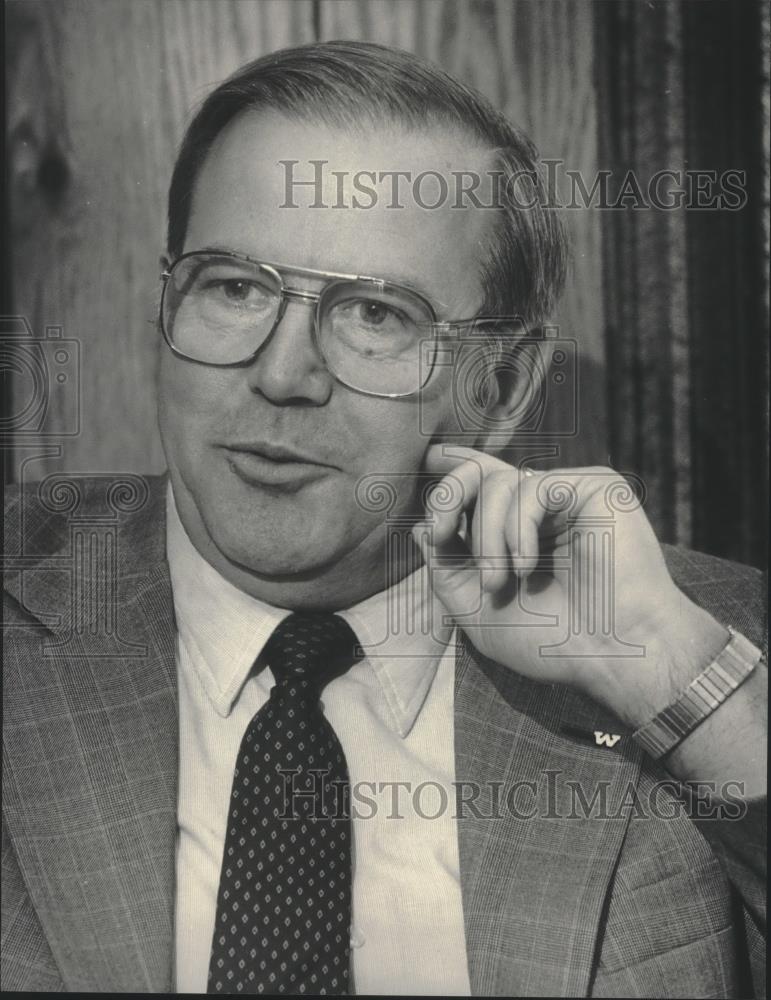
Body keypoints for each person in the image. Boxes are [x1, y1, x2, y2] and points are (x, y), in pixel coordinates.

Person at [2, 40, 766, 997]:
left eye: (374, 315)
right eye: (234, 288)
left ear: (501, 382)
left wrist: (674, 682)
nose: (281, 376)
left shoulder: (708, 659)